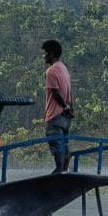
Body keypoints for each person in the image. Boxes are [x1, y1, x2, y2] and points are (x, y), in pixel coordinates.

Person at [43, 39, 74, 173]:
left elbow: (55, 93)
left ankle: (60, 171)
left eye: (45, 53)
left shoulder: (51, 71)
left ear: (51, 54)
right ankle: (64, 170)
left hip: (55, 115)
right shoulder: (64, 68)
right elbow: (69, 92)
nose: (44, 56)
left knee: (56, 144)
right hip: (65, 117)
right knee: (64, 144)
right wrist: (71, 109)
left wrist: (65, 106)